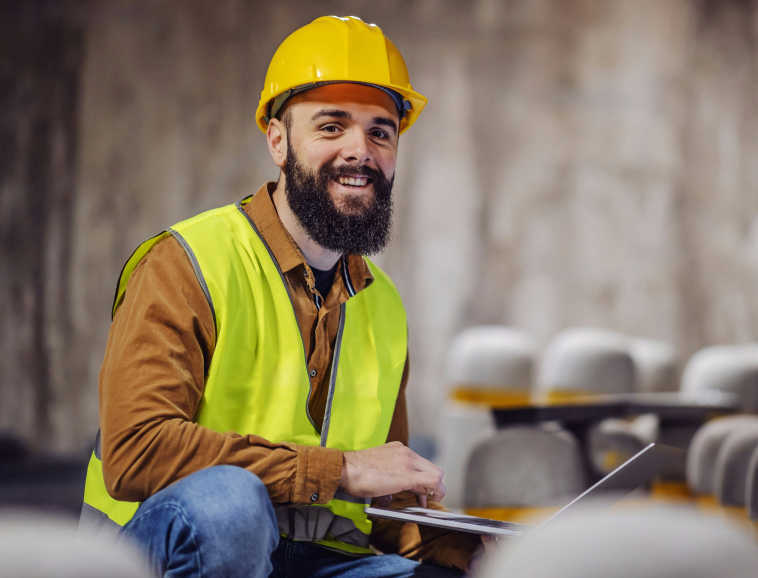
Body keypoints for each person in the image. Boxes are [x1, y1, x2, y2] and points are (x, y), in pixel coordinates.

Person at [79, 15, 494, 577]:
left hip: (316, 563)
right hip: (153, 553)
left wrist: (474, 551)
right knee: (230, 503)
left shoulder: (383, 304)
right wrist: (338, 470)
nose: (360, 150)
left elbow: (387, 507)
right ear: (277, 140)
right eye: (331, 127)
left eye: (380, 130)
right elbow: (137, 452)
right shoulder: (187, 263)